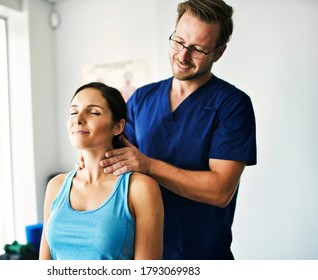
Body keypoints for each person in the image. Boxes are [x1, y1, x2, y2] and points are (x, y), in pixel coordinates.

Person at [95, 0, 257, 259]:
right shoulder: (141, 99)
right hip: (143, 254)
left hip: (203, 256)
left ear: (218, 52)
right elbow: (118, 169)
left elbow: (220, 190)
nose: (182, 56)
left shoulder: (232, 105)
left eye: (198, 49)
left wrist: (148, 165)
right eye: (179, 42)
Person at [39, 82, 164, 260]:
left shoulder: (140, 188)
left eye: (93, 112)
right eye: (74, 112)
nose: (78, 119)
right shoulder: (56, 186)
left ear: (118, 127)